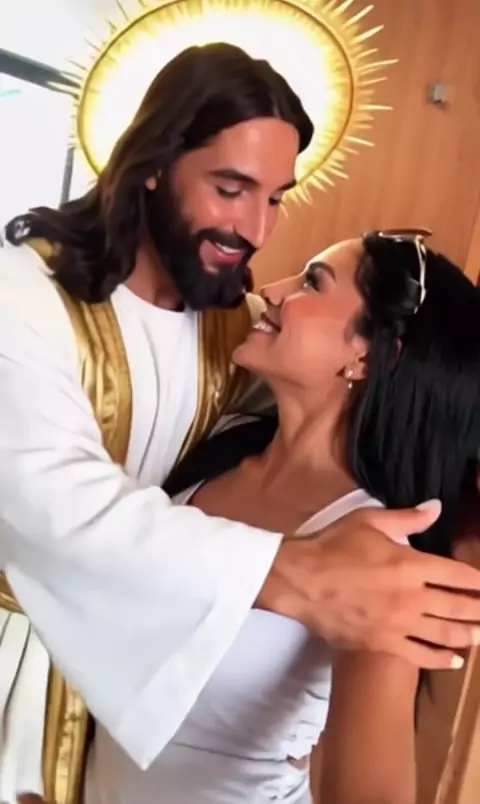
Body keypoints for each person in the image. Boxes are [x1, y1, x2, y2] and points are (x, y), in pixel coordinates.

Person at [0, 42, 480, 803]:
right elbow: (57, 503)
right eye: (231, 188)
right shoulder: (25, 297)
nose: (258, 234)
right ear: (154, 163)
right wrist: (297, 573)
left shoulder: (364, 530)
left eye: (277, 197)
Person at [83, 232, 479, 804]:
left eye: (312, 282)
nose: (271, 290)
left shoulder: (377, 547)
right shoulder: (218, 446)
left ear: (369, 356)